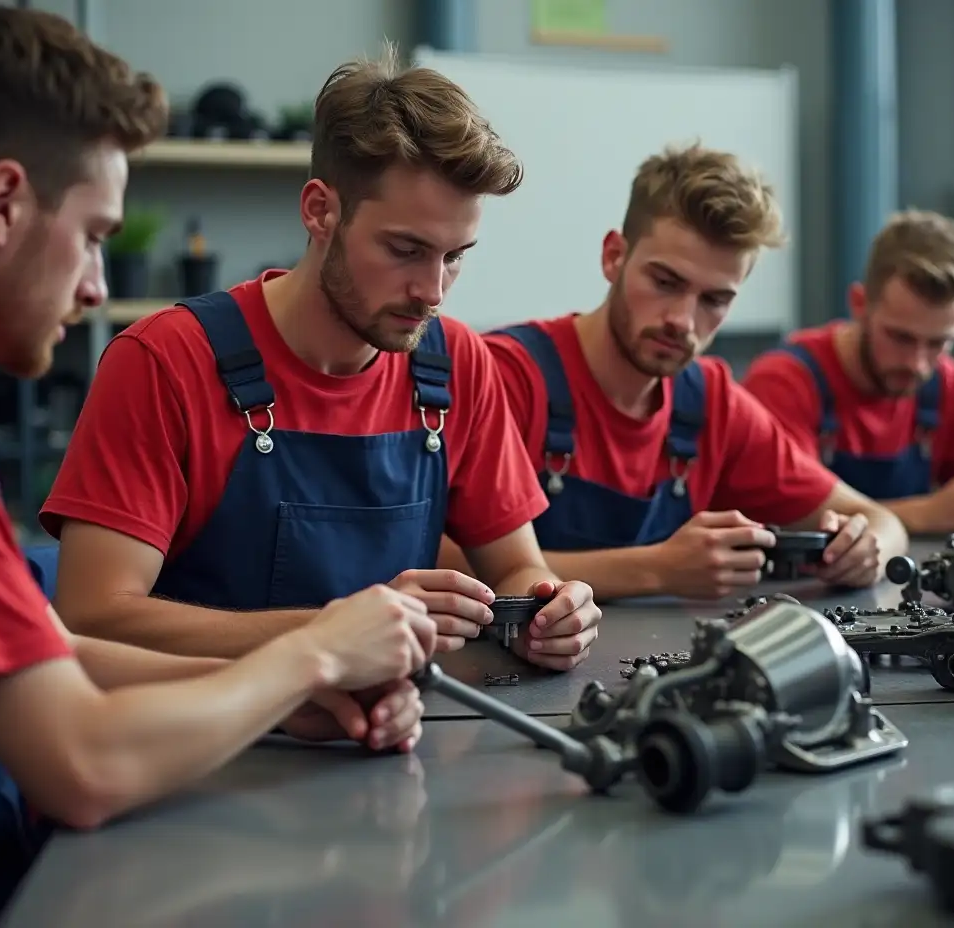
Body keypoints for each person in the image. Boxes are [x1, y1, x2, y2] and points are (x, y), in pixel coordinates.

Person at [0, 8, 438, 925]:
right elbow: (85, 765)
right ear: (1, 205)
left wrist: (281, 694)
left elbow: (47, 656)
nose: (97, 287)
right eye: (94, 233)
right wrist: (313, 649)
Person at [39, 48, 601, 670]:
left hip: (392, 738)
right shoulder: (164, 361)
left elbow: (518, 564)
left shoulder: (457, 363)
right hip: (206, 748)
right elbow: (93, 617)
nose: (433, 290)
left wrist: (547, 609)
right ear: (319, 210)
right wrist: (338, 634)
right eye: (405, 249)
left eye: (456, 255)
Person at [438, 144, 909, 602]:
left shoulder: (712, 401)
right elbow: (440, 560)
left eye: (714, 300)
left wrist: (865, 549)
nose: (683, 321)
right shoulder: (508, 377)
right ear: (613, 257)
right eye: (665, 283)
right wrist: (656, 569)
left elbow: (879, 521)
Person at [743, 209, 954, 535]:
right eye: (901, 337)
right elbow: (786, 518)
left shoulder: (943, 383)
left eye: (938, 343)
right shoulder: (784, 383)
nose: (918, 364)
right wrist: (922, 513)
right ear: (859, 304)